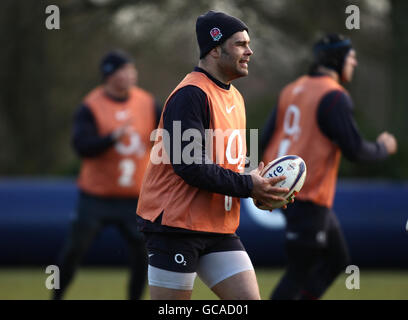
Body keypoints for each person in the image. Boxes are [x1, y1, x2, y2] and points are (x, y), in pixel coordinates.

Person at [136, 11, 292, 300]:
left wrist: (259, 185)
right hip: (175, 226)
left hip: (218, 227)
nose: (250, 51)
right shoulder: (190, 95)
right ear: (215, 49)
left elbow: (234, 162)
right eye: (240, 44)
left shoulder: (235, 96)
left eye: (248, 43)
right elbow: (190, 165)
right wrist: (248, 186)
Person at [261, 34, 398, 300]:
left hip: (289, 189)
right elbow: (355, 150)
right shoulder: (334, 96)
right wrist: (384, 147)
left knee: (336, 259)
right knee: (300, 269)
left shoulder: (292, 88)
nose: (355, 62)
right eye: (351, 56)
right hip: (306, 194)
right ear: (337, 59)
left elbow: (266, 139)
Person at [53, 50, 161, 300]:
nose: (131, 74)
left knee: (143, 255)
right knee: (74, 250)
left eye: (132, 69)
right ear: (110, 75)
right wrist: (111, 138)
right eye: (125, 69)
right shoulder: (91, 106)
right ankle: (57, 295)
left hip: (134, 198)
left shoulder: (147, 102)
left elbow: (166, 137)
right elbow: (81, 146)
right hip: (96, 196)